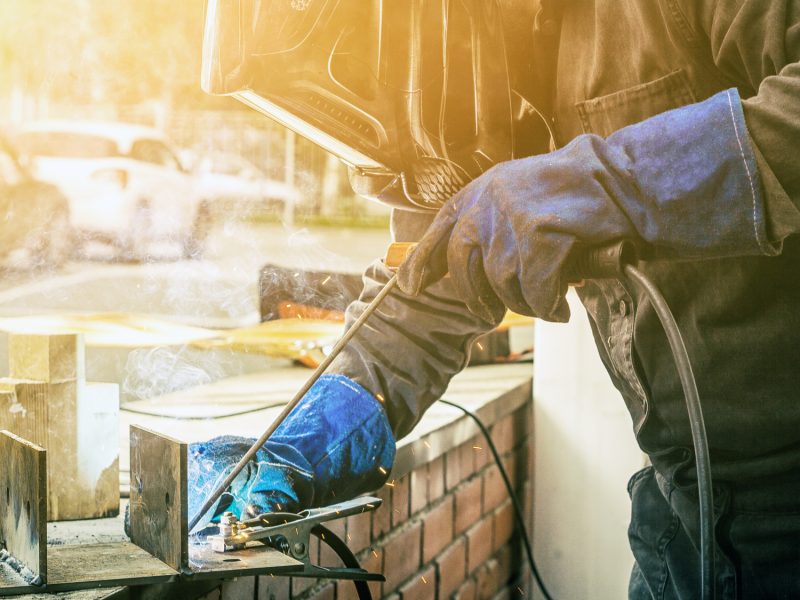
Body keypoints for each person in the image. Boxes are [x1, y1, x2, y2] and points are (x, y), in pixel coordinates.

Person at [190, 1, 800, 598]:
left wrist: (603, 186)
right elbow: (427, 287)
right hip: (679, 511)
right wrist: (317, 427)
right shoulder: (447, 49)